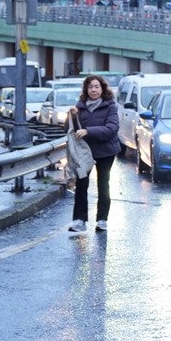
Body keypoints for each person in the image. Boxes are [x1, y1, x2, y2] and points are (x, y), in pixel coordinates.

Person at [68, 75, 120, 233]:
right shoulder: (80, 106)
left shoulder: (110, 106)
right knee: (81, 184)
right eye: (90, 87)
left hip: (106, 151)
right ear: (86, 89)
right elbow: (70, 130)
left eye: (97, 87)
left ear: (102, 88)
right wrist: (72, 116)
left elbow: (112, 128)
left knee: (103, 184)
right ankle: (79, 220)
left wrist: (88, 131)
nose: (94, 90)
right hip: (85, 152)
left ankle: (102, 219)